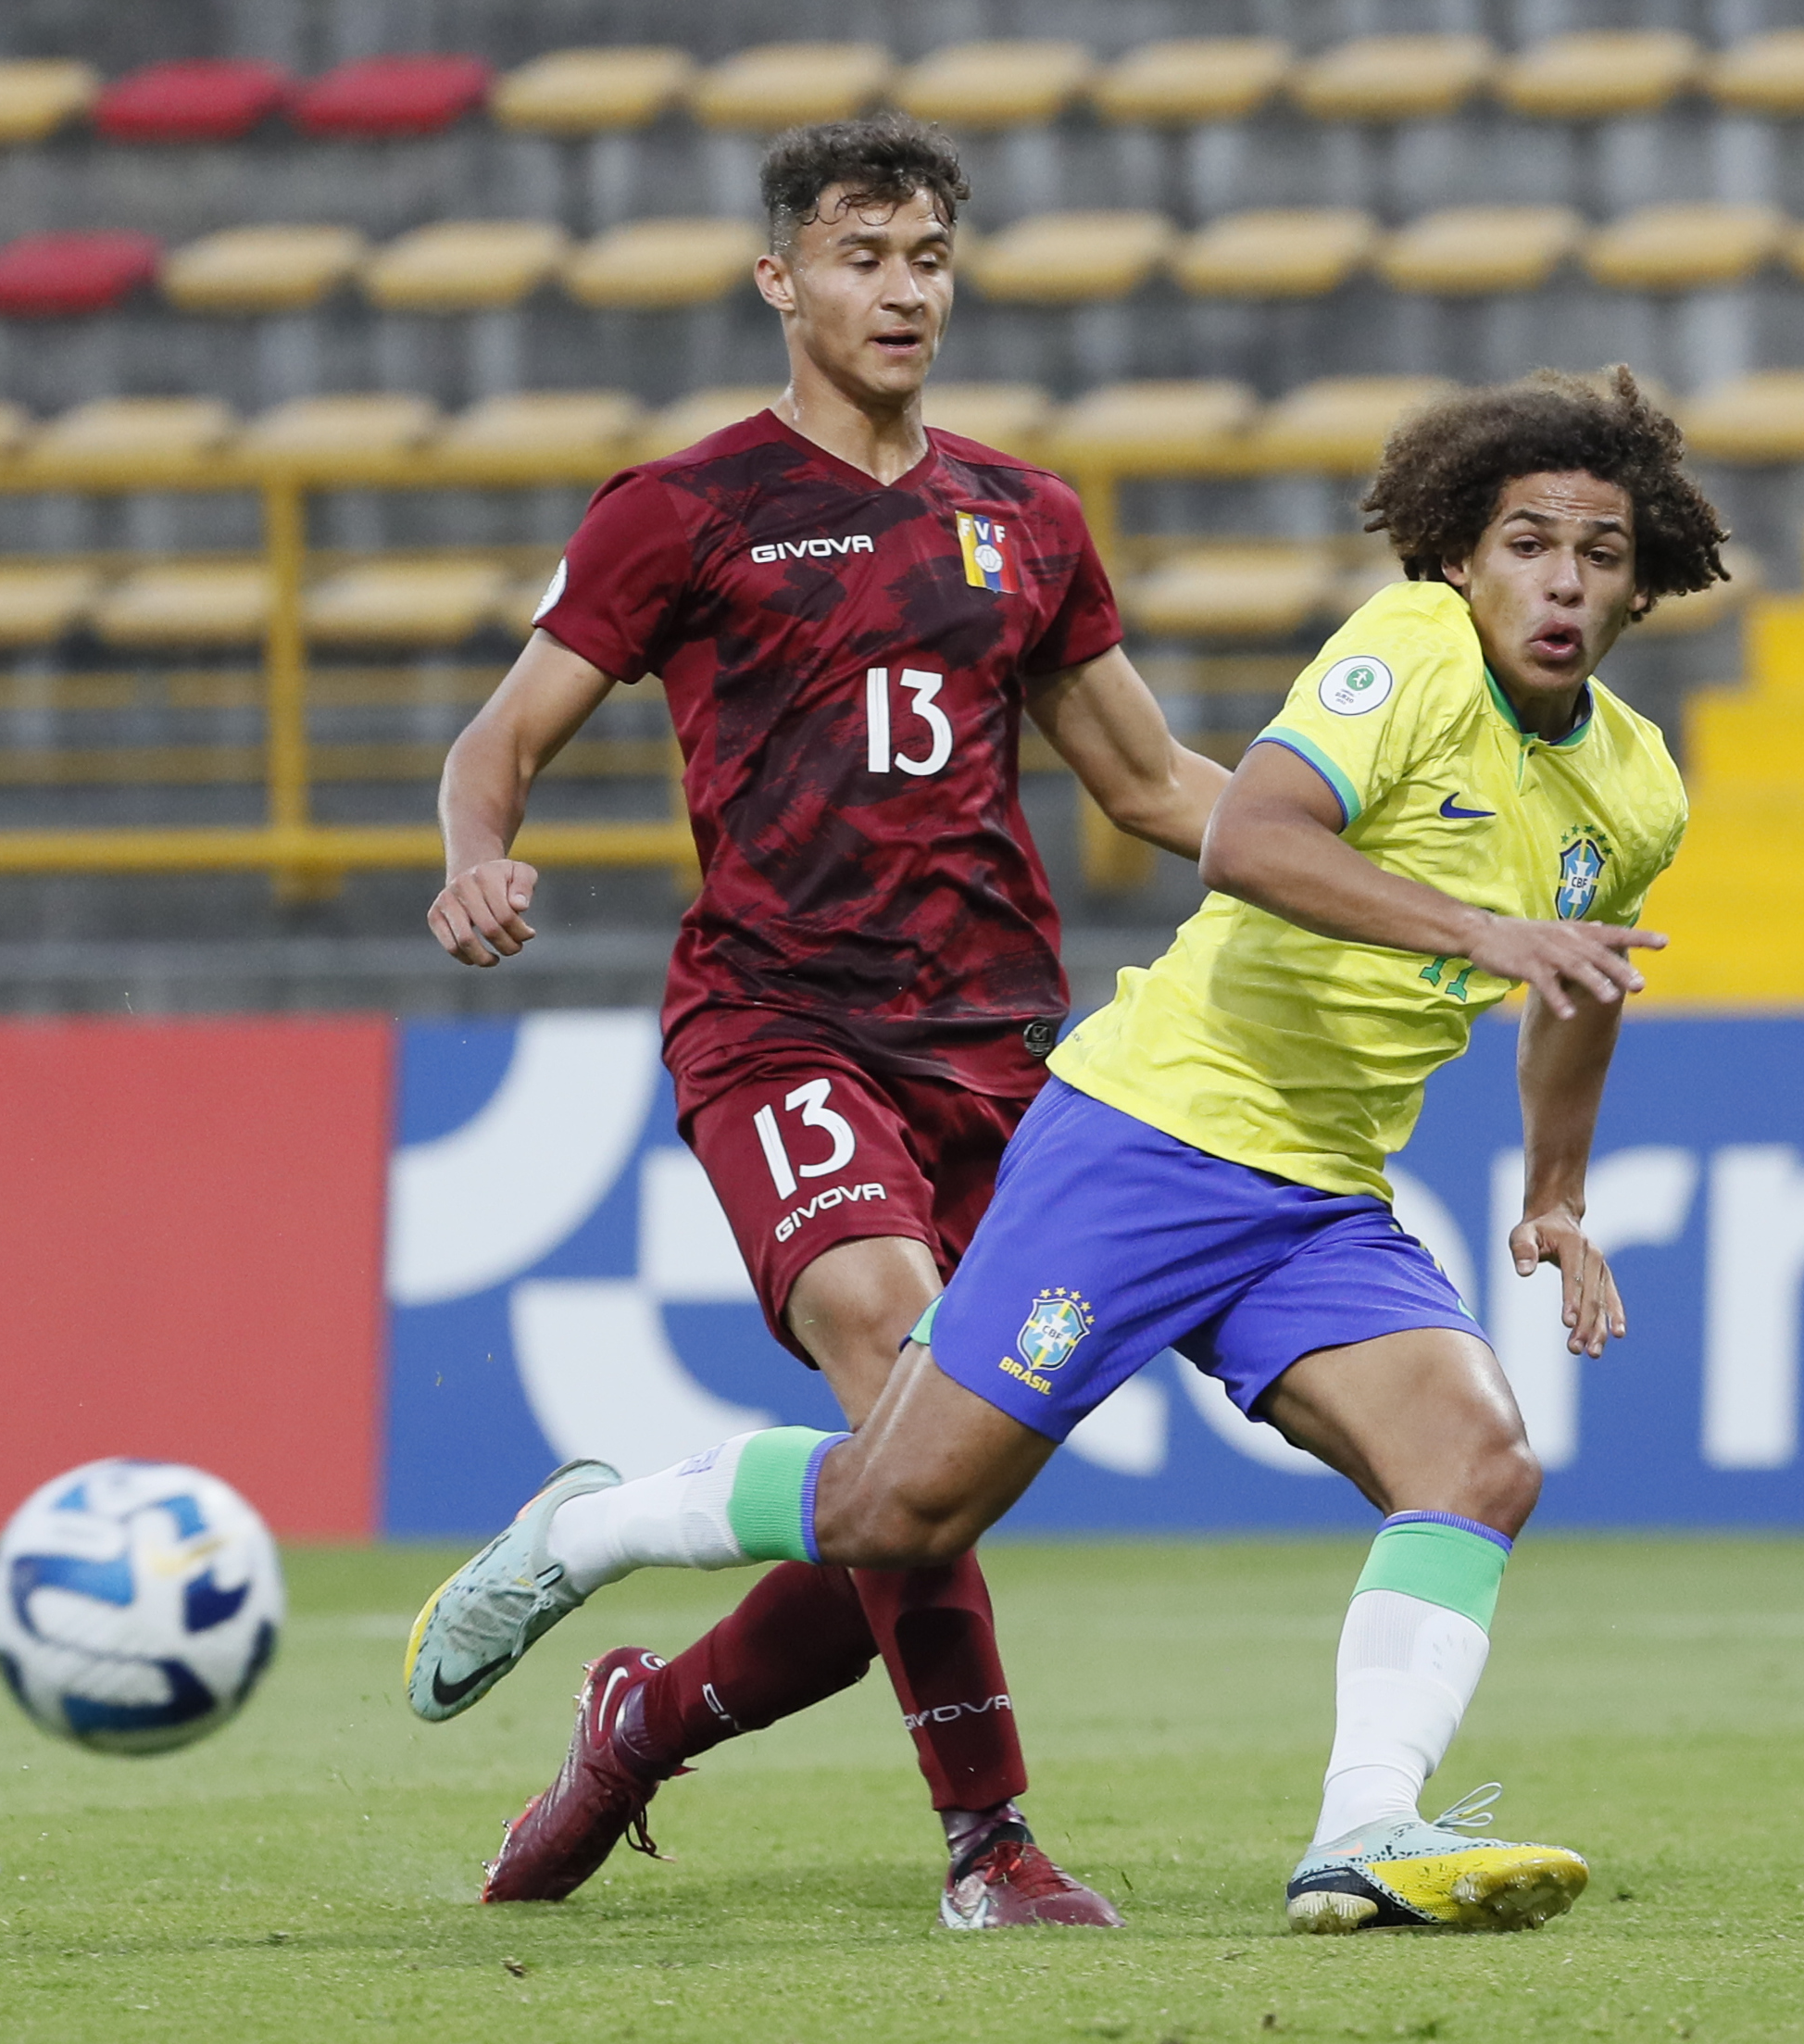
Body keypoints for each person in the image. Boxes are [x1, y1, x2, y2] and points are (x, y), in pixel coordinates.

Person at [404, 368, 1726, 1933]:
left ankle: (1366, 1827)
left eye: (1597, 550)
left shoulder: (1636, 784)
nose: (1559, 578)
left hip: (1316, 1199)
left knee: (1478, 1460)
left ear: (1648, 581)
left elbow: (1576, 985)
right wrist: (1478, 930)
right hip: (1150, 1140)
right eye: (1524, 542)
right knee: (903, 1510)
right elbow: (1247, 835)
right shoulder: (1409, 654)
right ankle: (592, 1529)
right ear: (1458, 558)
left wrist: (1555, 1196)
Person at [409, 112, 1225, 1931]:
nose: (900, 291)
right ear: (779, 280)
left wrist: (1368, 879)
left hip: (1009, 1056)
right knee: (891, 1341)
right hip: (781, 1025)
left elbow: (1150, 783)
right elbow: (501, 740)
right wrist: (477, 855)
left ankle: (636, 1728)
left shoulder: (1025, 519)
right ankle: (988, 1846)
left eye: (926, 257)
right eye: (860, 257)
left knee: (908, 1502)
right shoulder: (679, 512)